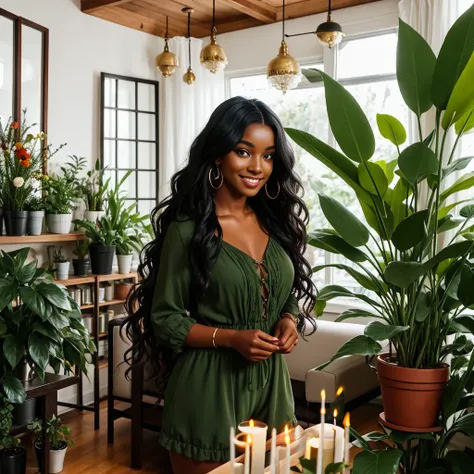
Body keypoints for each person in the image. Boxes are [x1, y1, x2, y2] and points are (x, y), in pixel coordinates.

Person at [123, 96, 316, 474]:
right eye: (244, 152)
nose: (257, 167)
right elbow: (164, 318)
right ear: (217, 155)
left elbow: (283, 293)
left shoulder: (274, 223)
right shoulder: (188, 230)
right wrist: (232, 338)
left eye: (268, 155)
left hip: (272, 388)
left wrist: (289, 320)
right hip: (209, 390)